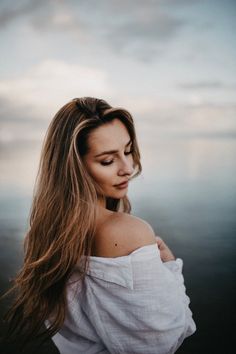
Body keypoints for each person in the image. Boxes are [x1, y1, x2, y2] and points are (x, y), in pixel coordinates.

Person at [2, 97, 196, 353]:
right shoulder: (128, 232)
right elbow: (164, 342)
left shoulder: (42, 238)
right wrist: (171, 269)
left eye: (127, 151)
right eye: (107, 160)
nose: (128, 168)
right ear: (73, 167)